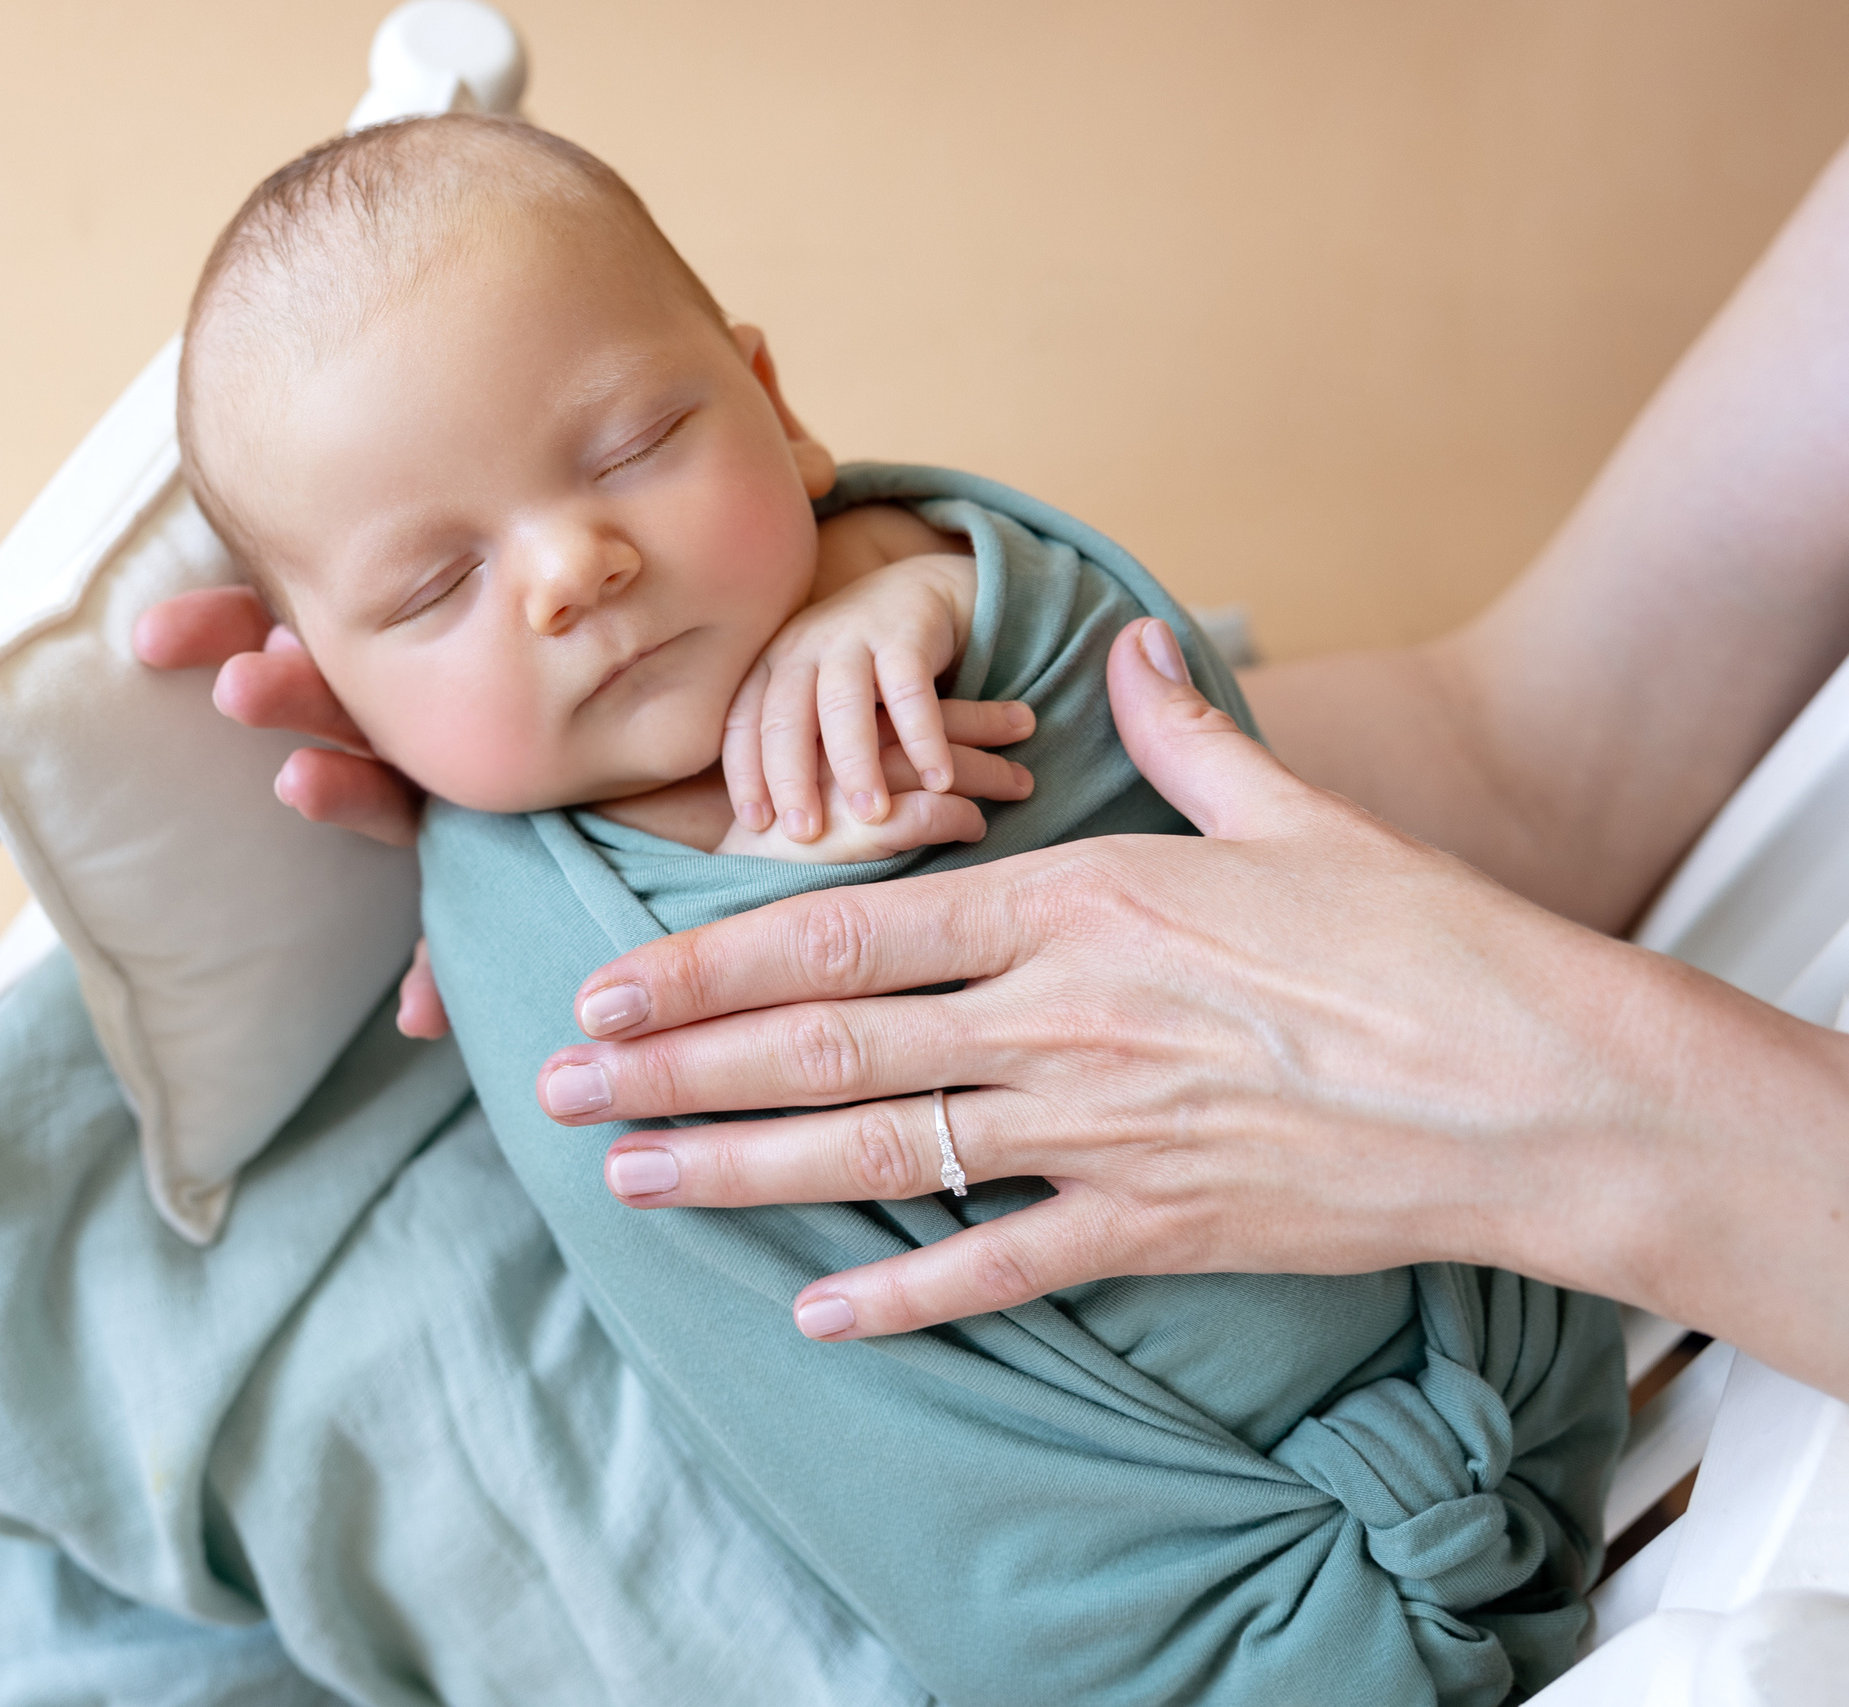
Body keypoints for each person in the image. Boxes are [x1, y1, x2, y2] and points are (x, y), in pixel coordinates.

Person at [156, 113, 1627, 1704]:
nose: (572, 568)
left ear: (779, 411)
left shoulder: (948, 604)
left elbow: (1143, 695)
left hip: (1489, 1321)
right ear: (347, 698)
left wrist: (935, 580)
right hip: (1160, 1597)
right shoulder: (502, 906)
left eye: (635, 444)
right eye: (434, 590)